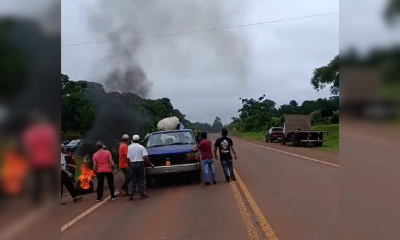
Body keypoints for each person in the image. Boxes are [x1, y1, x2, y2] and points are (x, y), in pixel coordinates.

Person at [21, 111, 59, 206]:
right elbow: (54, 146)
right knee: (53, 180)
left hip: (35, 160)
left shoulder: (28, 133)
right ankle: (55, 199)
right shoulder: (48, 131)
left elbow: (27, 150)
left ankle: (36, 201)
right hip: (49, 159)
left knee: (37, 180)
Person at [127, 135, 155, 201]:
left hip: (132, 164)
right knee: (141, 179)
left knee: (132, 180)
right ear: (138, 140)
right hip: (140, 164)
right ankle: (142, 194)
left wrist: (129, 166)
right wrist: (151, 164)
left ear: (133, 140)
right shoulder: (141, 147)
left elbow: (128, 158)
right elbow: (145, 157)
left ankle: (130, 195)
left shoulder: (129, 147)